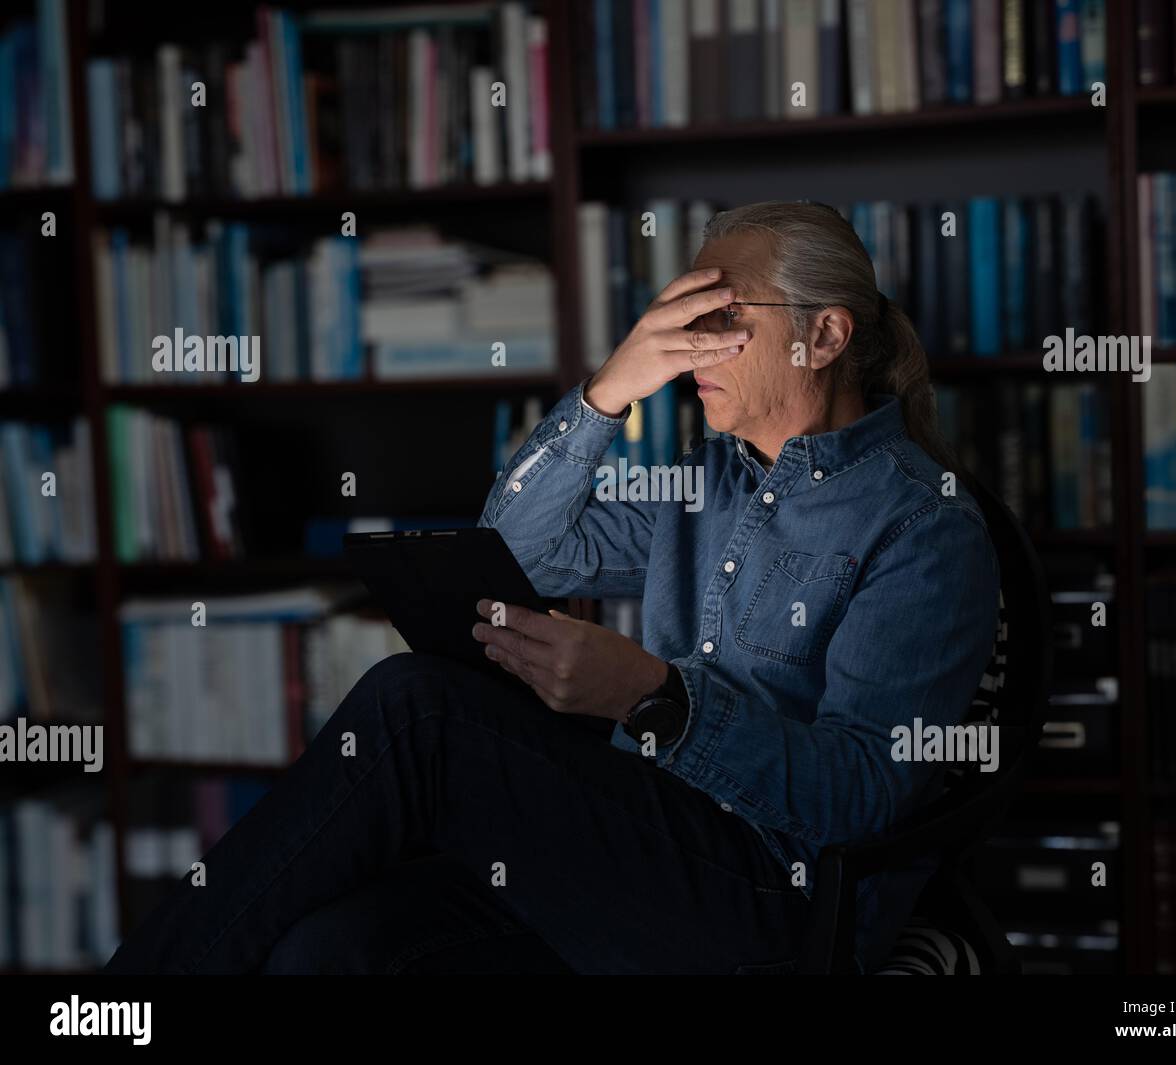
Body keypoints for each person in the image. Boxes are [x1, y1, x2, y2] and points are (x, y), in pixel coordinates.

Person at [104, 200, 999, 975]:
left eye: (720, 319)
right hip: (638, 856)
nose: (690, 353)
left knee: (420, 707)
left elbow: (863, 792)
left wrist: (655, 701)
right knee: (333, 948)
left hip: (778, 900)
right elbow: (526, 547)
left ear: (826, 335)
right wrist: (611, 391)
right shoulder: (708, 483)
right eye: (681, 320)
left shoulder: (926, 528)